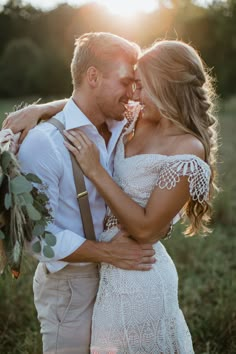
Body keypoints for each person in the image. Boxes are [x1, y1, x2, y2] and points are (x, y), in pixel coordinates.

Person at [3, 39, 218, 353]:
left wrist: (96, 172)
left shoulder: (159, 135)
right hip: (86, 278)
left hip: (136, 273)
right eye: (130, 83)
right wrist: (41, 109)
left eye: (139, 85)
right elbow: (37, 238)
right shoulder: (123, 122)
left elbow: (145, 229)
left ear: (165, 86)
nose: (134, 94)